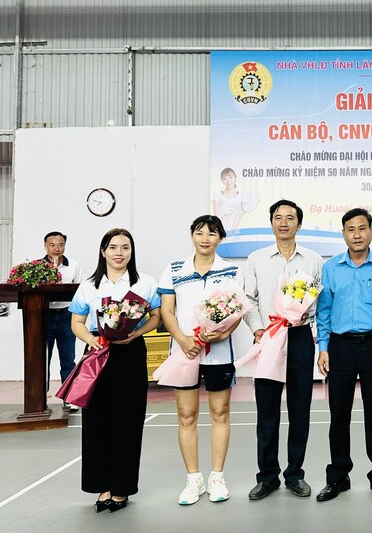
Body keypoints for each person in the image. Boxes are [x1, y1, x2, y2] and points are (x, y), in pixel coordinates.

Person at [69, 228, 161, 513]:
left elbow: (156, 317)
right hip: (98, 353)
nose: (119, 253)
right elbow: (77, 322)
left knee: (129, 419)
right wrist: (91, 340)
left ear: (131, 252)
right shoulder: (89, 286)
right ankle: (102, 487)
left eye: (125, 247)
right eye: (113, 247)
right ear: (103, 251)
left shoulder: (145, 283)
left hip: (131, 352)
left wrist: (135, 334)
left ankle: (121, 488)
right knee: (96, 420)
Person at [315, 208, 372, 503]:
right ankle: (338, 476)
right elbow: (324, 311)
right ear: (343, 234)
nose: (357, 235)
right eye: (350, 229)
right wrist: (323, 348)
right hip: (340, 346)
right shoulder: (331, 268)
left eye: (362, 228)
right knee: (339, 414)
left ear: (371, 232)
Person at [159, 215, 244, 505]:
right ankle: (193, 479)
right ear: (191, 235)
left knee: (220, 413)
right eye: (199, 232)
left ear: (220, 238)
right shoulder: (174, 269)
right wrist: (183, 340)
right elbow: (167, 311)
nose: (205, 238)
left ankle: (217, 477)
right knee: (186, 415)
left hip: (219, 354)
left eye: (212, 233)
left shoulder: (232, 270)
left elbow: (237, 309)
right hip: (185, 352)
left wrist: (224, 332)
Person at [244, 200, 323, 500]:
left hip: (300, 337)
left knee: (300, 410)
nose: (284, 222)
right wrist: (257, 329)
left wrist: (304, 315)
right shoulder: (256, 258)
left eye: (290, 218)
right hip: (269, 337)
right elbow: (248, 299)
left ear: (299, 224)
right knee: (267, 411)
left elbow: (319, 299)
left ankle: (294, 475)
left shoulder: (313, 259)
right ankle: (267, 477)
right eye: (278, 217)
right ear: (271, 223)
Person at [43, 231, 83, 411]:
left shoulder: (73, 265)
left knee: (68, 359)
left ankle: (69, 398)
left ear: (64, 246)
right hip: (44, 316)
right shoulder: (37, 267)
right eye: (52, 245)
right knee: (43, 358)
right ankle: (40, 397)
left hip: (66, 316)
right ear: (45, 246)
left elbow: (80, 292)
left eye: (60, 245)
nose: (56, 249)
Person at [212, 168, 244, 233]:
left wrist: (232, 231)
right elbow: (217, 216)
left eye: (230, 177)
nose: (228, 181)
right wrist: (222, 231)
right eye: (225, 178)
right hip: (220, 231)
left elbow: (238, 217)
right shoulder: (217, 195)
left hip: (234, 232)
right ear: (222, 180)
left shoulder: (241, 197)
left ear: (235, 178)